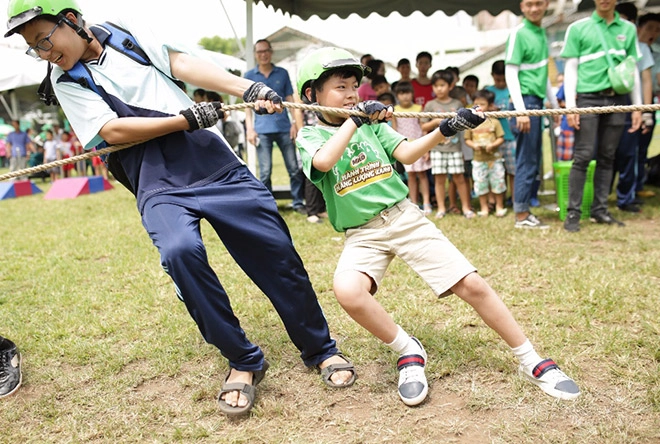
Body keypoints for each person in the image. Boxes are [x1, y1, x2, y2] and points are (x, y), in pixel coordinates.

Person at [6, 0, 355, 417]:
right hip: (155, 177)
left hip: (212, 161)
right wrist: (182, 119)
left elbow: (184, 64)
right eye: (35, 48)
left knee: (275, 252)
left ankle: (320, 349)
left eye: (45, 39)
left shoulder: (125, 34)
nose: (45, 53)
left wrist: (249, 89)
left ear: (72, 21)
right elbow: (110, 130)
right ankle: (243, 360)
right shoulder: (66, 82)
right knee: (178, 252)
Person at [295, 47, 580, 406]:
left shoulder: (374, 127)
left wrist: (447, 129)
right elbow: (323, 162)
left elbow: (409, 154)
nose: (353, 94)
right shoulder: (310, 137)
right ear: (311, 95)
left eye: (355, 86)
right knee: (348, 291)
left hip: (402, 216)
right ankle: (407, 350)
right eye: (342, 87)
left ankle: (531, 359)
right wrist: (356, 121)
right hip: (362, 232)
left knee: (471, 284)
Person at [561, 0, 642, 232]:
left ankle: (600, 210)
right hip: (588, 98)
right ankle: (573, 213)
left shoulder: (628, 29)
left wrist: (637, 106)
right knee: (583, 155)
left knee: (608, 156)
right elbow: (571, 68)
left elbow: (632, 68)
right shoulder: (578, 28)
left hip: (618, 99)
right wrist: (571, 105)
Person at [505, 0, 558, 229]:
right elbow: (511, 72)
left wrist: (554, 105)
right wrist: (520, 110)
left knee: (533, 159)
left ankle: (525, 210)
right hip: (524, 103)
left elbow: (543, 74)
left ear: (545, 5)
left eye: (538, 3)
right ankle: (521, 215)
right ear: (522, 7)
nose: (534, 8)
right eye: (529, 4)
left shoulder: (541, 33)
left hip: (536, 102)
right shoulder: (519, 33)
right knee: (526, 160)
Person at [244, 38, 305, 213]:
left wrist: (295, 123)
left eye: (266, 51)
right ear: (256, 55)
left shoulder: (282, 73)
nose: (263, 55)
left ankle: (298, 202)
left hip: (284, 128)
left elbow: (291, 100)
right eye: (259, 52)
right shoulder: (249, 76)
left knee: (293, 168)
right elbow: (247, 108)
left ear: (271, 52)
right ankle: (268, 206)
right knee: (265, 172)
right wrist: (250, 128)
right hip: (262, 130)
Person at [613, 9, 660, 213]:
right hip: (622, 106)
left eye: (658, 30)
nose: (654, 33)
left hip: (637, 108)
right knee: (623, 153)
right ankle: (622, 194)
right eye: (650, 28)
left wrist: (645, 111)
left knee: (634, 153)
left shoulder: (643, 48)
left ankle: (629, 193)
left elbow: (647, 82)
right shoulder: (622, 47)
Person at [421, 69, 474, 219]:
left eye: (442, 85)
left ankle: (466, 207)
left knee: (459, 178)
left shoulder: (457, 103)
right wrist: (436, 122)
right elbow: (423, 127)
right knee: (439, 179)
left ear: (450, 86)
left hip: (455, 148)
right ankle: (441, 208)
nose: (439, 88)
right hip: (437, 149)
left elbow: (463, 126)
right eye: (436, 85)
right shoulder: (430, 105)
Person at [464, 89, 507, 217]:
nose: (479, 107)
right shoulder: (471, 123)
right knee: (480, 184)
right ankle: (484, 208)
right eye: (476, 104)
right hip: (478, 160)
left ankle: (499, 206)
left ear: (489, 105)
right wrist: (474, 146)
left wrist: (493, 145)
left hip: (495, 159)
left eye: (482, 104)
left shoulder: (495, 121)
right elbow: (467, 139)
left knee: (498, 182)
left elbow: (501, 138)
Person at [392, 81, 432, 215]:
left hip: (419, 145)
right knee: (411, 176)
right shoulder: (395, 110)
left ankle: (426, 202)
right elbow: (394, 130)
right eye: (402, 93)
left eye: (407, 93)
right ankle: (414, 203)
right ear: (397, 95)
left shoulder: (418, 108)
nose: (405, 96)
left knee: (423, 175)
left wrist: (427, 149)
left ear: (412, 94)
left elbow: (423, 128)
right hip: (405, 147)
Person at [486, 60, 516, 205]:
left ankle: (516, 198)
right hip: (492, 139)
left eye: (504, 79)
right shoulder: (488, 92)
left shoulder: (514, 89)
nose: (501, 82)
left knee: (513, 171)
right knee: (497, 171)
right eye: (498, 80)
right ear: (492, 76)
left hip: (511, 137)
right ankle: (499, 200)